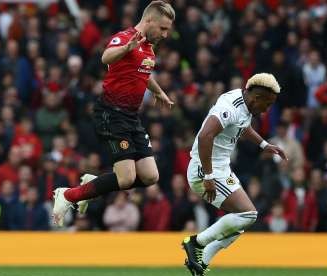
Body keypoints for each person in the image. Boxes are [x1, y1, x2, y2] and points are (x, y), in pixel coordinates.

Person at [52, 1, 175, 226]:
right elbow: (106, 57)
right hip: (111, 113)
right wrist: (126, 48)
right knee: (126, 178)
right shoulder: (126, 37)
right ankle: (68, 195)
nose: (165, 34)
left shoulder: (148, 47)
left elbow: (143, 74)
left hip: (131, 116)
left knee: (150, 176)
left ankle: (94, 184)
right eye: (163, 28)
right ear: (149, 21)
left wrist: (160, 93)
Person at [181, 73, 287, 275]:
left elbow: (242, 127)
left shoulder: (245, 103)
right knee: (248, 214)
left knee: (240, 221)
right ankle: (197, 243)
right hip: (205, 171)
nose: (267, 110)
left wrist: (264, 144)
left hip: (221, 169)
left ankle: (201, 262)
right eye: (268, 104)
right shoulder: (229, 108)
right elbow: (205, 136)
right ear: (257, 98)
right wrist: (209, 176)